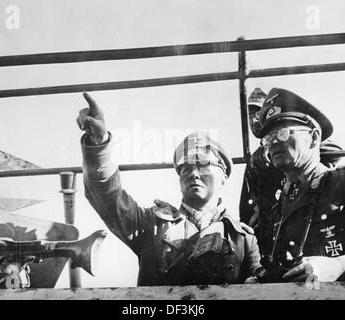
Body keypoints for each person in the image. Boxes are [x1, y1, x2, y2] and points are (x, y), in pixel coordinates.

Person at [77, 92, 261, 286]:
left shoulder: (243, 238)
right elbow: (107, 196)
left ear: (223, 177)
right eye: (186, 168)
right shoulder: (150, 225)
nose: (194, 173)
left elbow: (258, 289)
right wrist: (99, 143)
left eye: (203, 165)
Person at [253, 87, 345, 283]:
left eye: (283, 132)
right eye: (268, 138)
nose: (274, 142)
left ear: (313, 137)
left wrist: (341, 265)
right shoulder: (280, 205)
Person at [240, 88, 343, 232]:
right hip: (274, 225)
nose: (254, 120)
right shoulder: (254, 161)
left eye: (257, 113)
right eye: (249, 115)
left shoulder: (298, 140)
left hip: (307, 210)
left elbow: (335, 150)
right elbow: (246, 208)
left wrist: (279, 149)